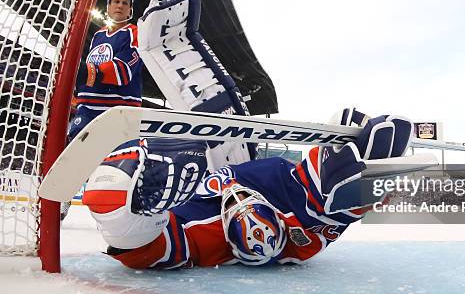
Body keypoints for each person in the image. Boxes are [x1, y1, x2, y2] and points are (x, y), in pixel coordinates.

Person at [81, 112, 412, 269]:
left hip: (202, 180)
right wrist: (354, 204)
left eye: (236, 215)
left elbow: (148, 253)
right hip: (276, 184)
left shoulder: (202, 236)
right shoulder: (294, 224)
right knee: (328, 192)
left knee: (114, 203)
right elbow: (324, 215)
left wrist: (126, 223)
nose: (240, 202)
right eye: (256, 210)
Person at [62, 0, 142, 220]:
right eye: (115, 1)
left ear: (130, 9)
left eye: (124, 3)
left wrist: (87, 73)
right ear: (107, 7)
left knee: (122, 161)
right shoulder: (98, 36)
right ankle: (65, 195)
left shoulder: (134, 33)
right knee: (75, 150)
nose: (119, 6)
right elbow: (87, 70)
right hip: (89, 106)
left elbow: (125, 70)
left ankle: (125, 209)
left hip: (118, 109)